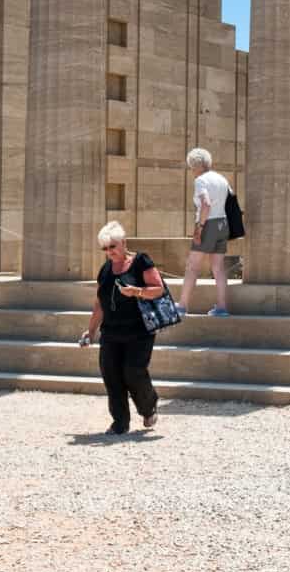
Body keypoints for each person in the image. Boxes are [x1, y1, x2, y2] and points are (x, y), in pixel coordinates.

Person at [79, 221, 164, 435]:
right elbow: (99, 304)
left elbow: (158, 289)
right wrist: (90, 331)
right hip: (111, 332)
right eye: (105, 249)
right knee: (111, 375)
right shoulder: (105, 270)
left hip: (139, 331)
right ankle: (120, 422)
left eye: (113, 247)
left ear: (124, 243)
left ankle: (148, 407)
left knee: (133, 372)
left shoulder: (140, 261)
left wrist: (137, 291)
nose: (109, 252)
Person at [175, 147, 234, 317]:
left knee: (193, 266)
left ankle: (183, 305)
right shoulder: (222, 179)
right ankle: (222, 307)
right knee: (218, 268)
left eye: (191, 167)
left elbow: (206, 205)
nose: (192, 171)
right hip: (223, 224)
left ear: (196, 165)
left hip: (208, 223)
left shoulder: (201, 180)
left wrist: (199, 227)